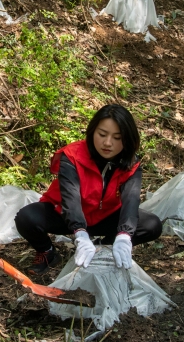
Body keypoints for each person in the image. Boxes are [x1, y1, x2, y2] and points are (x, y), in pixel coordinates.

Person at [15, 105, 162, 278]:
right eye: (102, 134)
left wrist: (124, 236)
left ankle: (105, 247)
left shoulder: (130, 164)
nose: (108, 143)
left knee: (152, 224)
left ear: (127, 139)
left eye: (117, 137)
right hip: (66, 215)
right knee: (27, 217)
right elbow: (71, 198)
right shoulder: (72, 155)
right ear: (92, 132)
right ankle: (47, 251)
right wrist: (80, 234)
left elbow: (131, 201)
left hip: (106, 216)